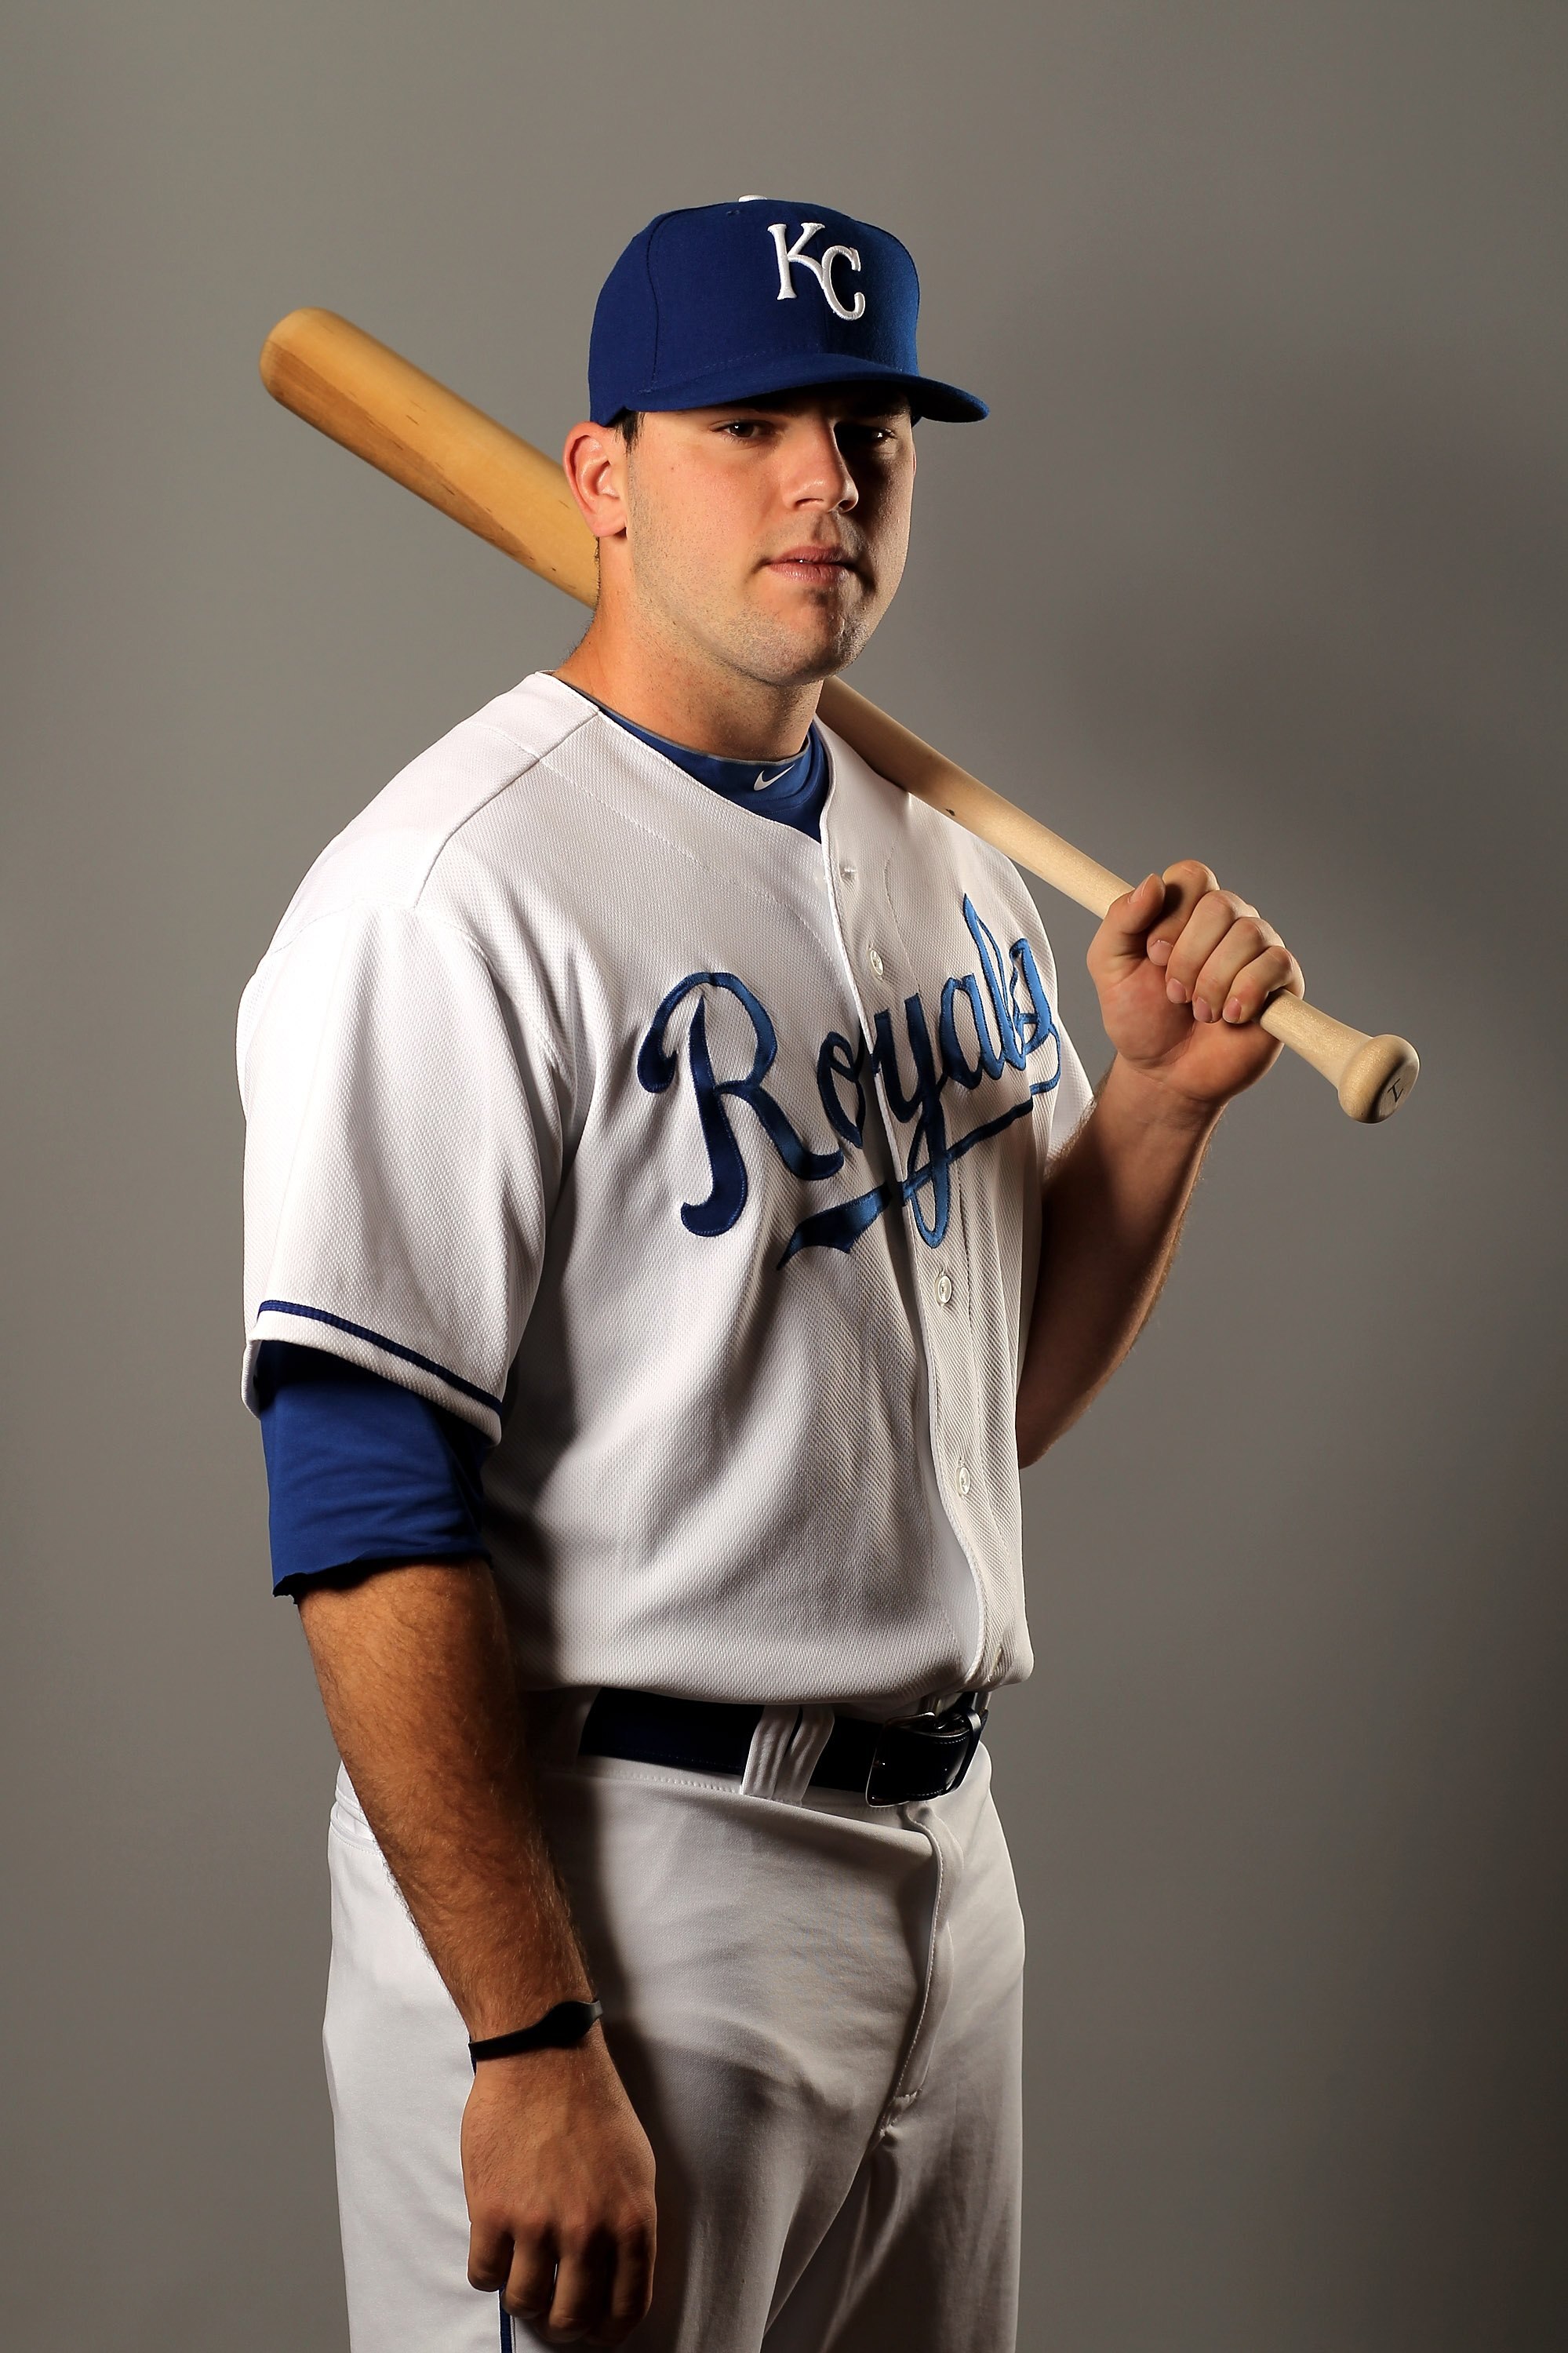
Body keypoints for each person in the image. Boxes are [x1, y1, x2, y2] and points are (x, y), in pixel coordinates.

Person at [238, 198, 1301, 2352]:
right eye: (749, 425)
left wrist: (1158, 1111)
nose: (828, 480)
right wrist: (526, 2033)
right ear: (602, 477)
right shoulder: (445, 902)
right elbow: (361, 1515)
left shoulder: (953, 873)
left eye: (873, 431)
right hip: (621, 1888)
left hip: (943, 1875)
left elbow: (975, 1410)